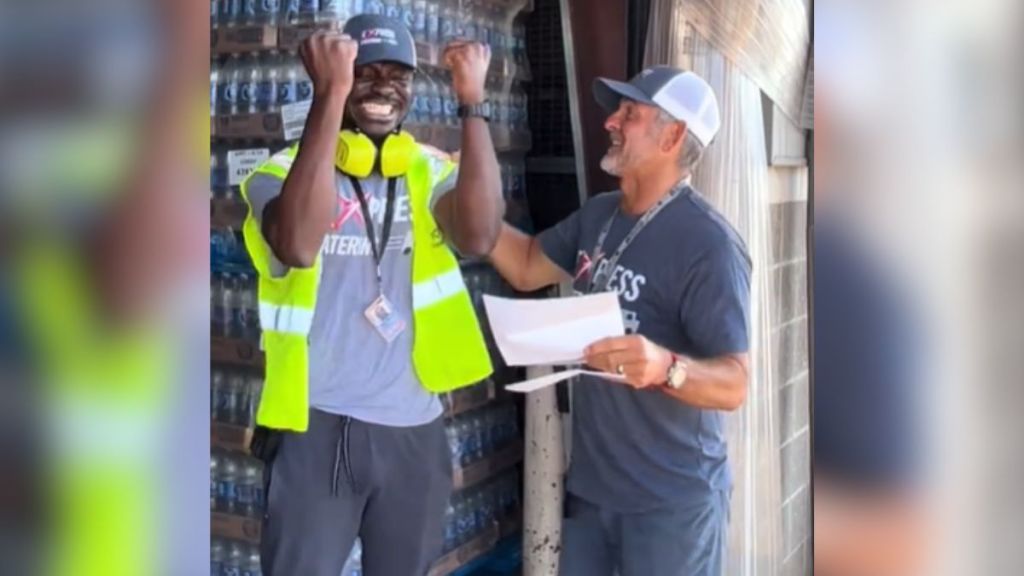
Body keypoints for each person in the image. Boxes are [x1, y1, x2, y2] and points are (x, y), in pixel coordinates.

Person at [239, 14, 504, 576]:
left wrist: (472, 101)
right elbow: (297, 245)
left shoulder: (429, 172)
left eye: (398, 75)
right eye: (364, 72)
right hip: (318, 430)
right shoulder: (277, 174)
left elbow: (479, 235)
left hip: (413, 433)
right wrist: (329, 94)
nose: (383, 85)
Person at [488, 66, 751, 576]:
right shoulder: (600, 215)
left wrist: (665, 367)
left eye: (630, 113)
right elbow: (524, 267)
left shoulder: (709, 245)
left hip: (671, 506)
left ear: (673, 136)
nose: (611, 121)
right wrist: (453, 196)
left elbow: (736, 384)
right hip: (593, 493)